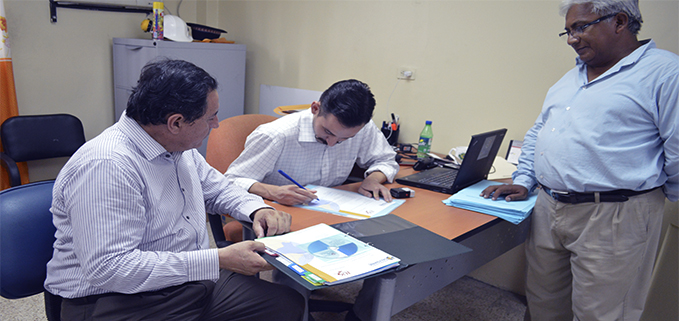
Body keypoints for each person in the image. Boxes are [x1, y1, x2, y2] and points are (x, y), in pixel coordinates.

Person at [44, 59, 305, 321]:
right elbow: (110, 268)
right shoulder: (107, 165)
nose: (216, 124)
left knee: (285, 303)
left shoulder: (178, 147)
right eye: (211, 117)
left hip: (186, 282)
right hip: (115, 298)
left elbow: (218, 189)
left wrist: (257, 208)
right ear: (176, 123)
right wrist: (217, 259)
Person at [481, 1, 678, 320]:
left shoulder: (665, 73)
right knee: (544, 305)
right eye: (568, 30)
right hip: (549, 208)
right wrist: (523, 180)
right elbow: (538, 133)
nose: (572, 38)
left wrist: (645, 204)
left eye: (581, 26)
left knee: (602, 314)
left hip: (615, 215)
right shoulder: (569, 79)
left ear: (620, 21)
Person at [225, 79, 399, 206]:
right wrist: (272, 192)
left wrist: (373, 179)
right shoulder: (276, 136)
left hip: (331, 212)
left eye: (344, 140)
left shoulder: (362, 128)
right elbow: (232, 180)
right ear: (315, 108)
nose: (332, 143)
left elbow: (386, 159)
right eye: (327, 132)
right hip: (279, 213)